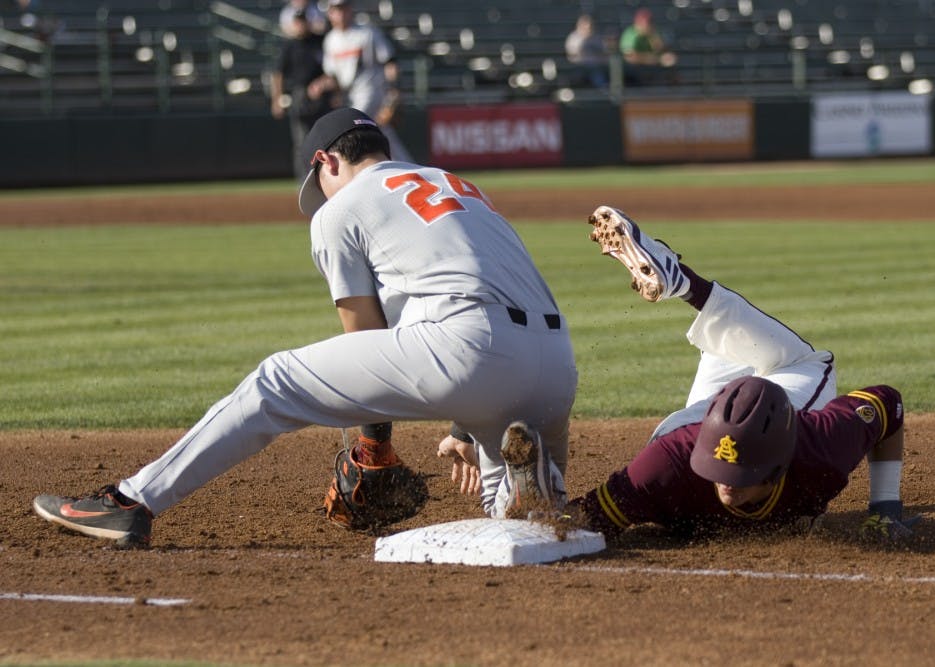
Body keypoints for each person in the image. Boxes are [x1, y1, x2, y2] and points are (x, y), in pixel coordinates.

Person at [32, 108, 578, 547]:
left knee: (275, 382)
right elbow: (471, 288)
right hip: (555, 366)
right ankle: (531, 492)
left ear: (325, 160)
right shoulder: (457, 185)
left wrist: (373, 446)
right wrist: (464, 424)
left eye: (318, 181)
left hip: (467, 350)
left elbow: (363, 332)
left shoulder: (341, 209)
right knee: (512, 525)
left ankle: (130, 502)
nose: (320, 197)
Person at [562, 205, 918, 542]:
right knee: (803, 365)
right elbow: (579, 519)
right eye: (720, 470)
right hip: (683, 438)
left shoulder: (817, 449)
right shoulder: (665, 467)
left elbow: (888, 404)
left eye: (740, 475)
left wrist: (885, 511)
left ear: (780, 468)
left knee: (728, 347)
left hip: (694, 432)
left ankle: (683, 282)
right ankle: (682, 282)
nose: (727, 484)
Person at [308, 0, 412, 162]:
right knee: (381, 135)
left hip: (371, 92)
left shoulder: (367, 33)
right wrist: (321, 84)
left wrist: (394, 90)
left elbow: (390, 62)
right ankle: (408, 170)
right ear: (330, 13)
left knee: (353, 128)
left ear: (350, 10)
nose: (340, 13)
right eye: (336, 9)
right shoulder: (331, 40)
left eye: (343, 8)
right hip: (349, 95)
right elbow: (332, 76)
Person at [270, 9, 329, 180]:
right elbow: (278, 73)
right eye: (298, 21)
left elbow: (332, 67)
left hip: (321, 95)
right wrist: (277, 99)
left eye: (303, 21)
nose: (301, 25)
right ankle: (305, 180)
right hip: (299, 95)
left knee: (324, 139)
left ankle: (325, 178)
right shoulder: (289, 45)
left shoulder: (319, 41)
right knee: (301, 143)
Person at [618, 7, 677, 86]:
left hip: (651, 66)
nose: (646, 25)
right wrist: (653, 59)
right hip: (633, 69)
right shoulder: (630, 34)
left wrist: (653, 37)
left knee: (670, 60)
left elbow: (660, 49)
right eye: (644, 22)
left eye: (648, 22)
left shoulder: (653, 32)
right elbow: (630, 58)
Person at [564, 14, 610, 89]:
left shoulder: (597, 38)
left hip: (596, 67)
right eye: (585, 25)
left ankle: (603, 93)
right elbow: (571, 55)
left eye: (589, 26)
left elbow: (605, 54)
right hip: (579, 66)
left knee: (599, 77)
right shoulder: (574, 38)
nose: (587, 28)